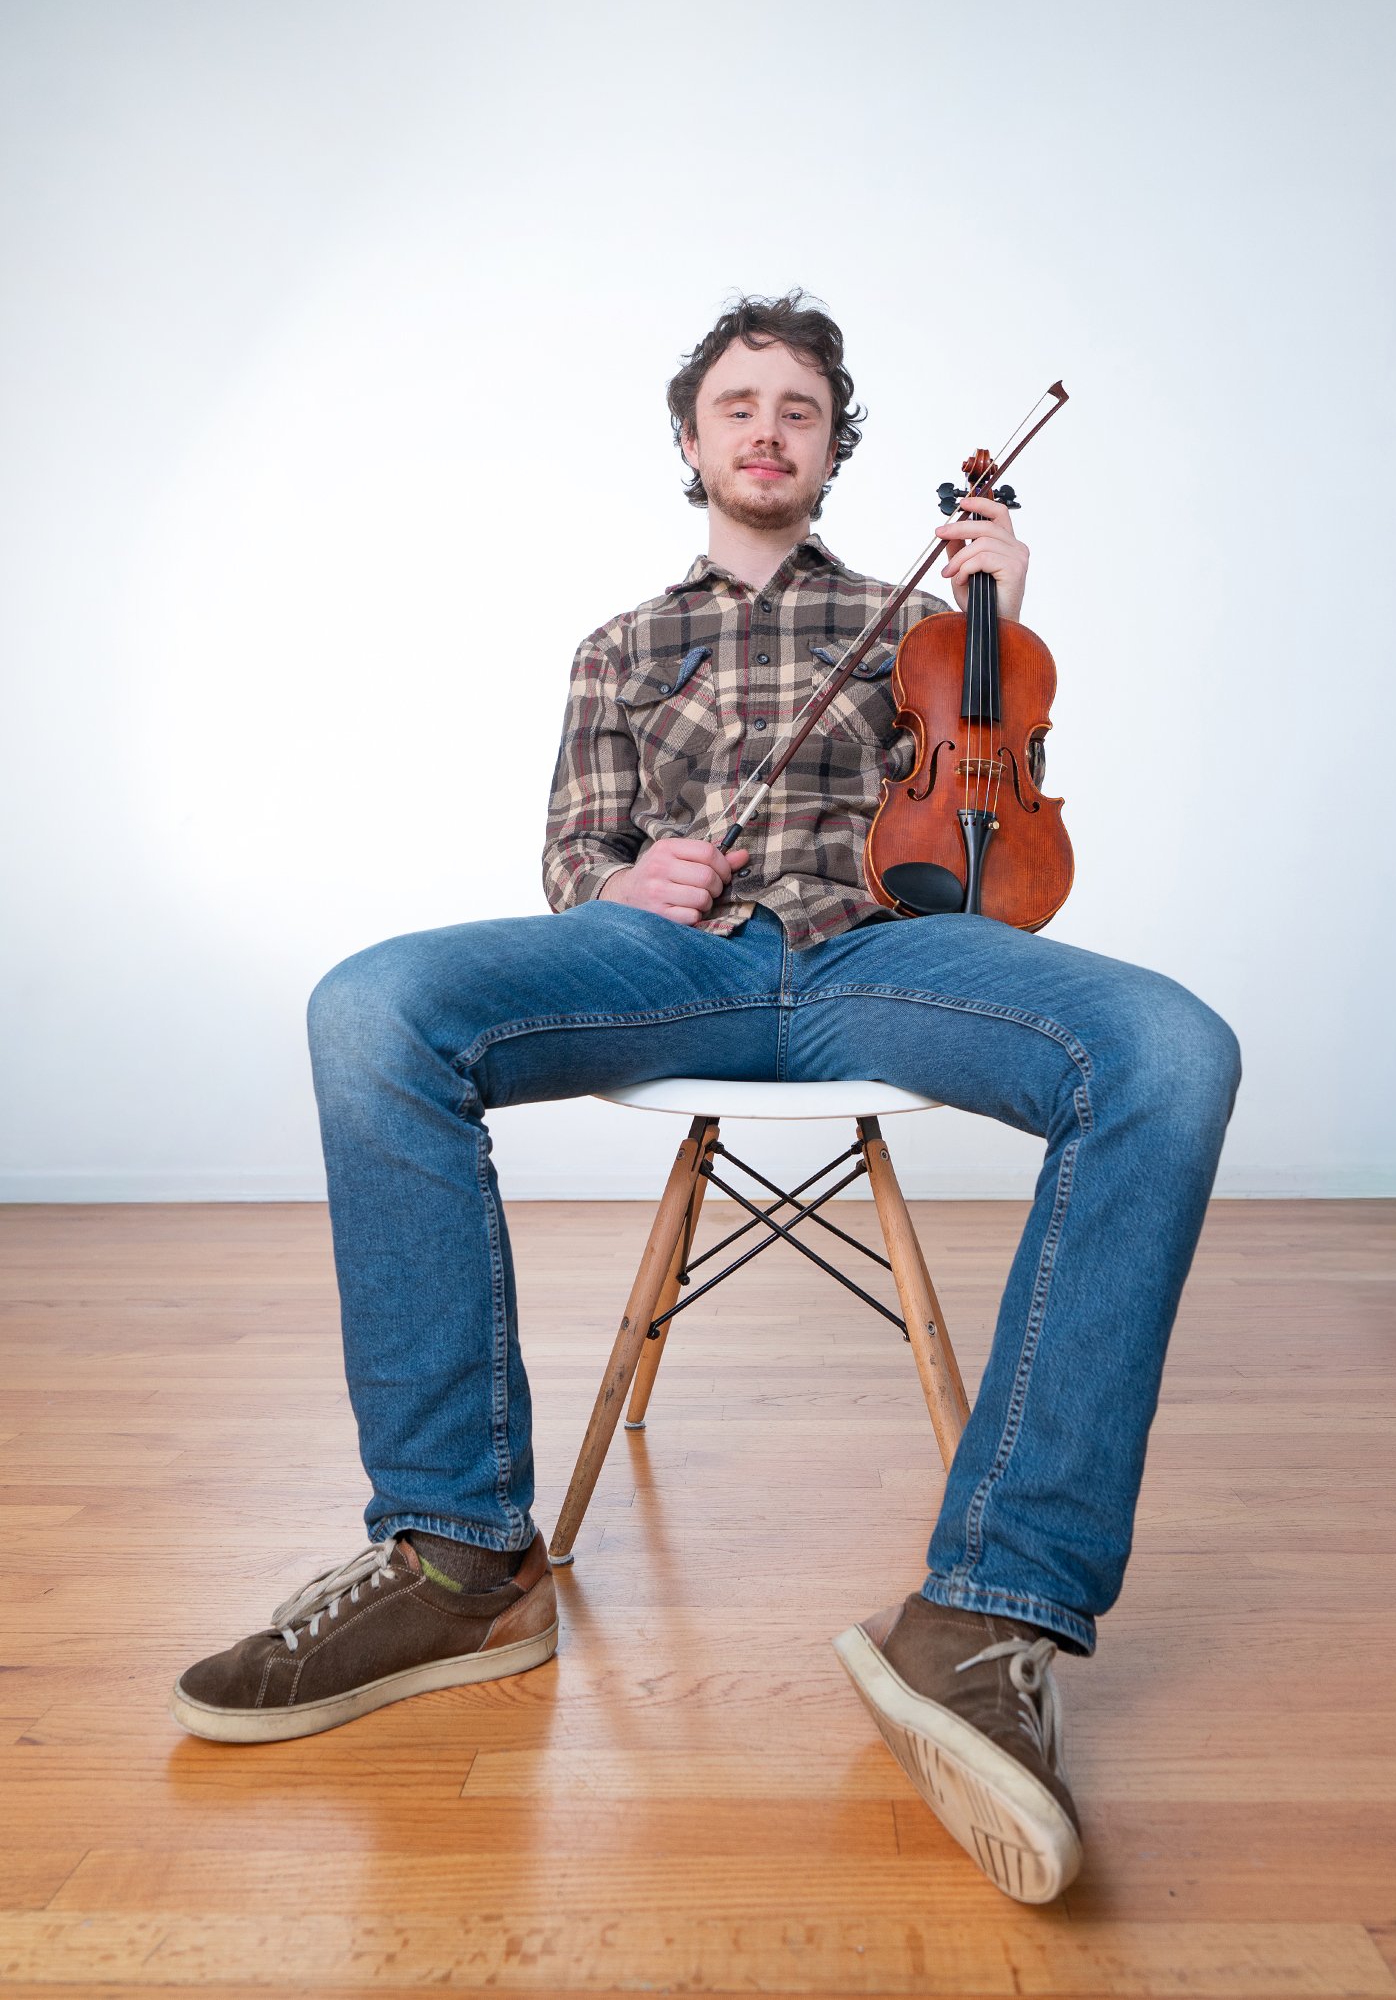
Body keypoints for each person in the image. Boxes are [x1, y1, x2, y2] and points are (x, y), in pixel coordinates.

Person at [172, 291, 1239, 1906]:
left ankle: (990, 1611)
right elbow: (571, 853)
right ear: (692, 440)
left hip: (879, 957)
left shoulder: (917, 616)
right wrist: (621, 883)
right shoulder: (620, 646)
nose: (767, 428)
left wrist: (988, 632)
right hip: (674, 964)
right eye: (738, 404)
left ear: (833, 446)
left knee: (1170, 1050)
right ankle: (457, 1558)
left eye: (799, 407)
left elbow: (986, 856)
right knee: (372, 1008)